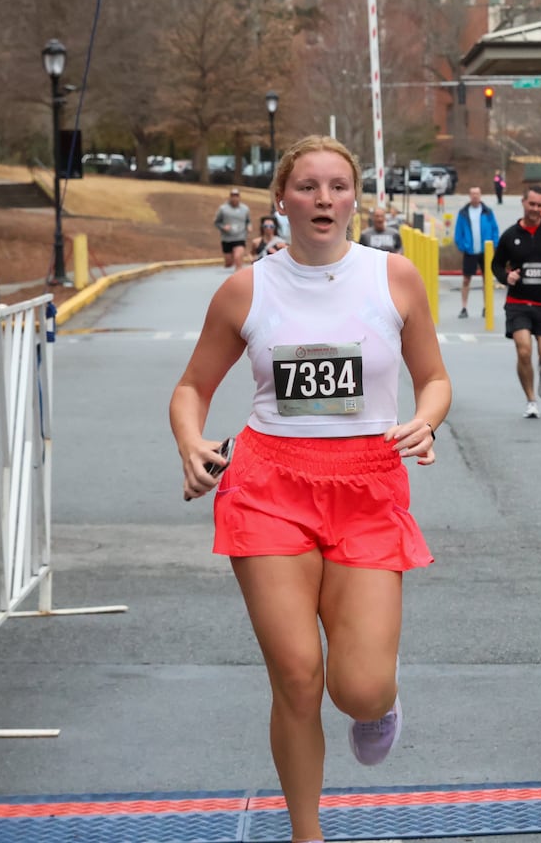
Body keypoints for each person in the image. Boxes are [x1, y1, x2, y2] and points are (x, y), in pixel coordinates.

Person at [169, 135, 451, 843]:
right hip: (269, 485)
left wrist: (424, 419)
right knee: (296, 676)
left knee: (356, 686)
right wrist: (192, 441)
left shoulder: (393, 277)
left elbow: (435, 379)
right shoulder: (246, 287)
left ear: (355, 198)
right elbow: (191, 388)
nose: (323, 199)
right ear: (281, 200)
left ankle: (378, 706)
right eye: (308, 187)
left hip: (368, 484)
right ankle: (306, 832)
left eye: (337, 186)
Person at [491, 185, 541, 419]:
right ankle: (531, 400)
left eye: (539, 205)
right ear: (523, 202)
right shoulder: (510, 235)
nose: (535, 209)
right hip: (518, 302)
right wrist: (506, 276)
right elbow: (496, 265)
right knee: (523, 350)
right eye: (531, 204)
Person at [453, 186, 499, 318]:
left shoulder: (487, 212)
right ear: (469, 195)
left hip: (486, 250)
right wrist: (463, 246)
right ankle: (464, 307)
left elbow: (495, 229)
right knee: (466, 279)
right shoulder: (463, 213)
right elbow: (458, 233)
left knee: (487, 280)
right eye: (472, 194)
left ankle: (486, 307)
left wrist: (494, 244)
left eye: (477, 194)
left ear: (480, 195)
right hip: (470, 251)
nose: (475, 196)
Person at [215, 187, 251, 270]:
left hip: (240, 237)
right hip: (227, 238)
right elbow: (217, 222)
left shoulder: (245, 209)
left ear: (239, 197)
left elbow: (248, 220)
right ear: (230, 197)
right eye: (233, 195)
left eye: (236, 195)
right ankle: (231, 264)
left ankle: (239, 277)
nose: (235, 197)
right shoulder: (223, 209)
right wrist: (223, 227)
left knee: (238, 257)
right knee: (229, 263)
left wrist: (249, 226)